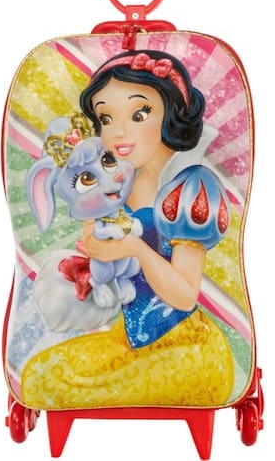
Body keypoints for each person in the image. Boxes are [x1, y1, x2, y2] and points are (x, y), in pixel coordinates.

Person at [21, 50, 235, 408]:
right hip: (130, 341)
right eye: (106, 118)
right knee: (39, 373)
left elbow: (185, 296)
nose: (118, 133)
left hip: (185, 348)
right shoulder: (118, 186)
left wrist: (133, 249)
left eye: (139, 114)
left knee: (46, 379)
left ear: (172, 115)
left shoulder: (189, 187)